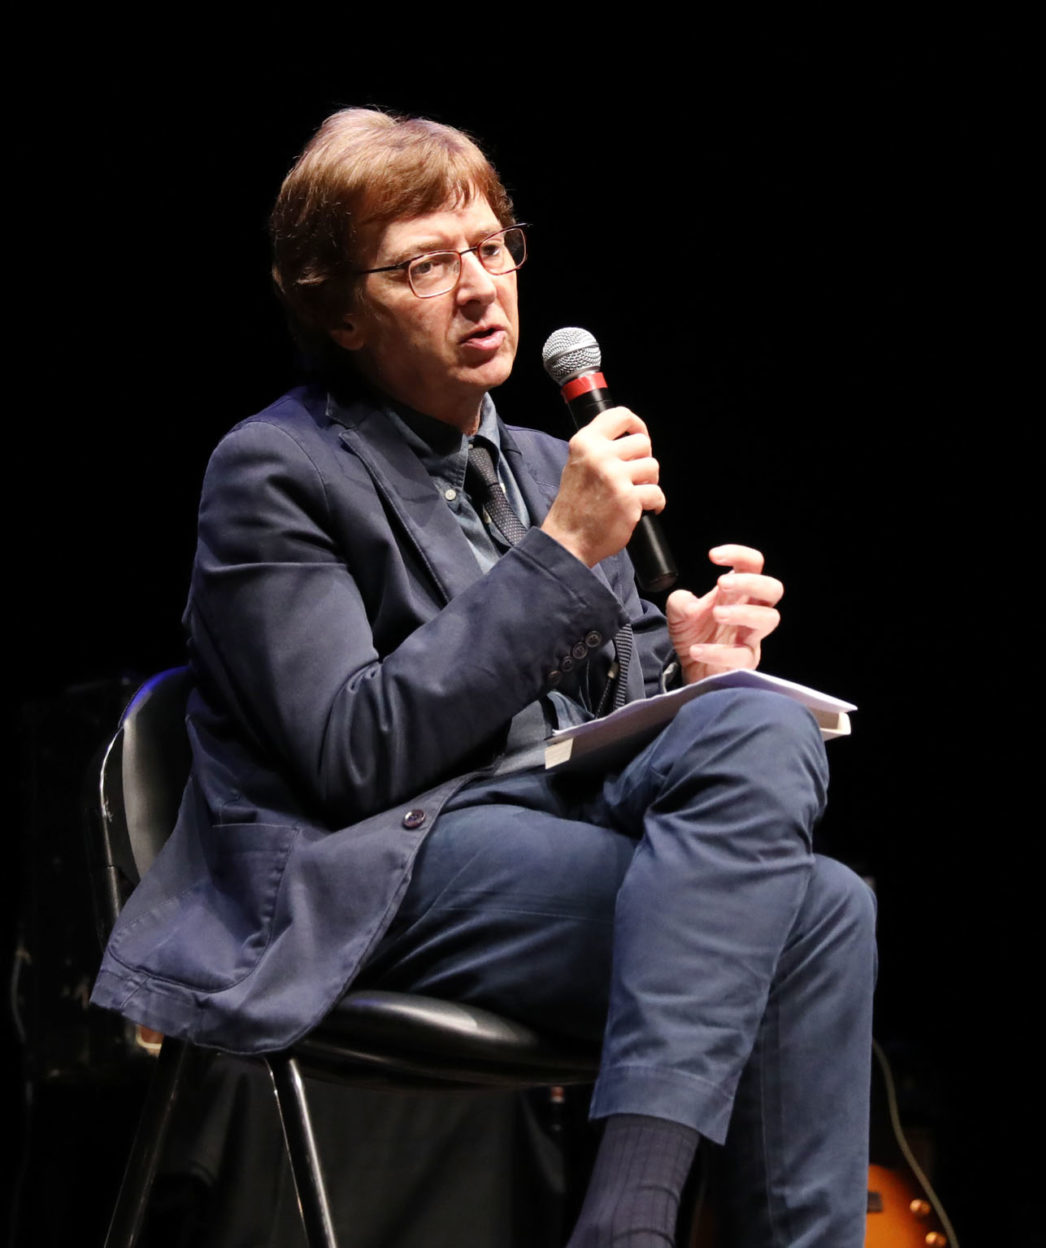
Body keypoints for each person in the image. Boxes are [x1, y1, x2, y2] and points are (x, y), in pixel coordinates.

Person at [91, 108, 875, 1248]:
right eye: (423, 264)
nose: (477, 287)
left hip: (549, 831)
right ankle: (631, 1219)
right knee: (810, 919)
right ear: (341, 308)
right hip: (380, 867)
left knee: (768, 753)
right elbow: (355, 753)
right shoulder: (275, 472)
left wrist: (697, 667)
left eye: (490, 247)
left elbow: (590, 727)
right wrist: (559, 556)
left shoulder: (548, 464)